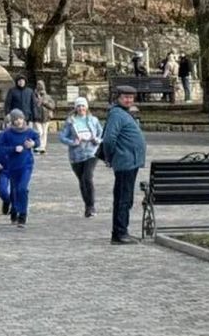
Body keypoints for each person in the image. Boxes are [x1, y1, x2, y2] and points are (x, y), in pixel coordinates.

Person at [101, 84, 147, 244]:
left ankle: (122, 231)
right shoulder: (117, 114)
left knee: (125, 198)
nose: (129, 100)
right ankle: (120, 233)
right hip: (125, 162)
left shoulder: (124, 114)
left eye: (131, 97)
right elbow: (108, 139)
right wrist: (110, 156)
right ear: (118, 98)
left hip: (130, 162)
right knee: (123, 198)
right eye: (125, 97)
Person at [0, 109, 38, 228]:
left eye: (20, 119)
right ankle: (11, 206)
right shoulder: (4, 135)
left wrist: (33, 144)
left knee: (22, 189)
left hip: (26, 165)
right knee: (6, 190)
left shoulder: (29, 132)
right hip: (8, 167)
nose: (17, 122)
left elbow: (37, 139)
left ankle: (22, 215)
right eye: (14, 120)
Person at [59, 96, 103, 218]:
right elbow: (62, 137)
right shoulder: (70, 121)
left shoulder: (93, 120)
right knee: (82, 180)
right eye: (78, 106)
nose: (81, 108)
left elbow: (102, 133)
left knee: (87, 177)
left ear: (86, 107)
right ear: (75, 108)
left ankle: (91, 206)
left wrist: (97, 140)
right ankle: (87, 206)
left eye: (83, 106)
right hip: (76, 155)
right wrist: (73, 142)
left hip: (91, 152)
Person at [34, 80, 55, 152]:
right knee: (39, 132)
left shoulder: (48, 97)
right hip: (37, 117)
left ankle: (43, 146)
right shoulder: (34, 96)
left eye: (41, 85)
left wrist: (45, 103)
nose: (40, 87)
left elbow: (52, 106)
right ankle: (38, 145)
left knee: (44, 132)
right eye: (38, 85)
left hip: (46, 117)